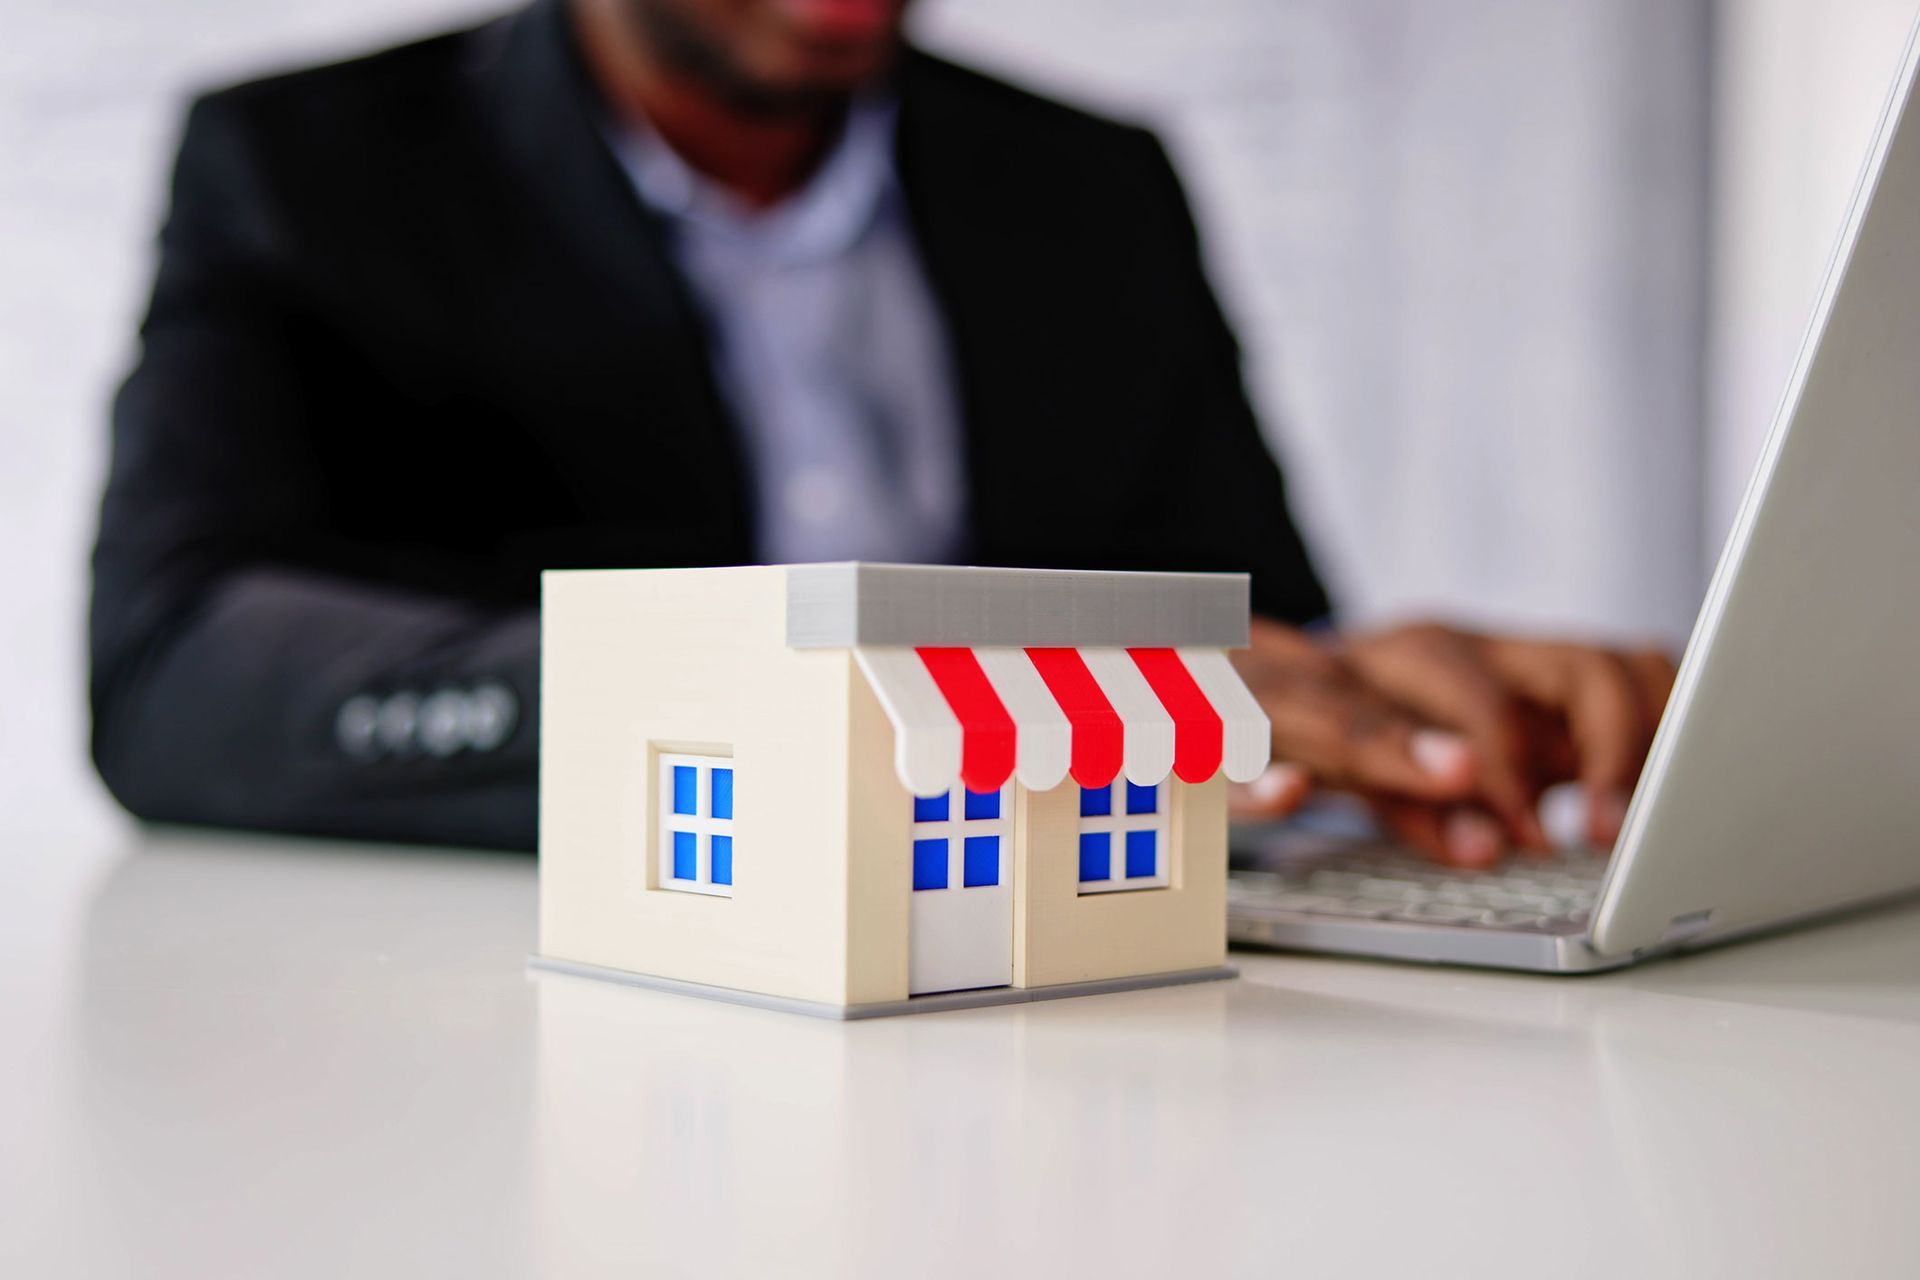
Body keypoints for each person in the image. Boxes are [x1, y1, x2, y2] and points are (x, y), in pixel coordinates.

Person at [91, 0, 1674, 864]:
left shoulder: (1086, 185)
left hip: (1080, 1041)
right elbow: (173, 677)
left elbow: (1235, 643)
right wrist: (869, 690)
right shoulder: (309, 166)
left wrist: (1381, 698)